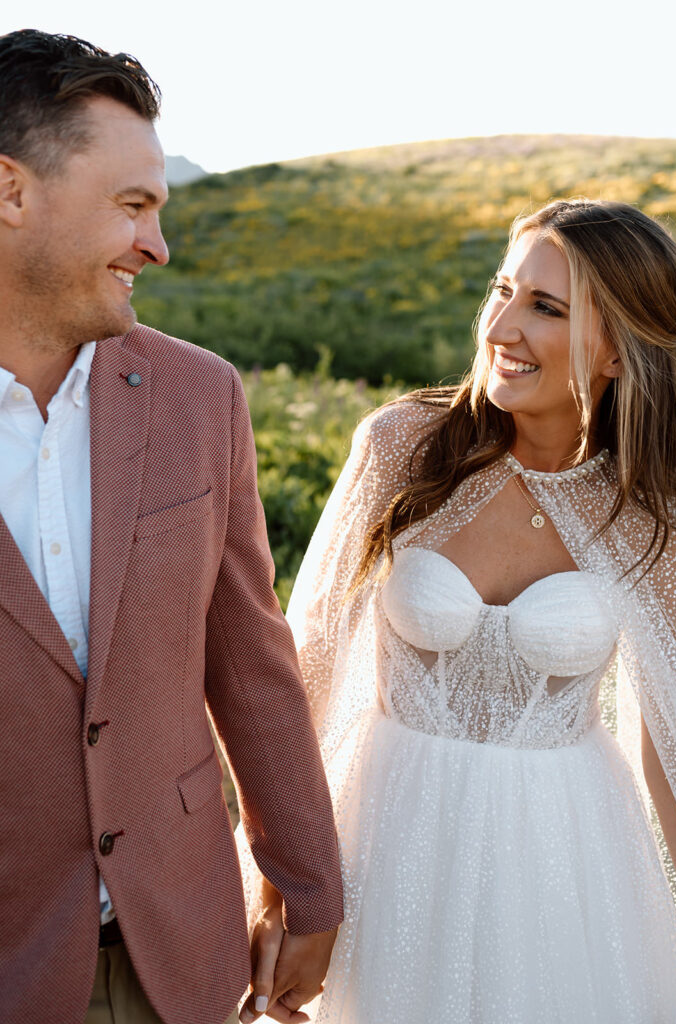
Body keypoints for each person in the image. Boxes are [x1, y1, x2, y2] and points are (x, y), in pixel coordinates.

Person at [240, 199, 676, 1023]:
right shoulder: (401, 448)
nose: (502, 324)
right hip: (385, 841)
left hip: (566, 873)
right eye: (503, 290)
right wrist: (281, 895)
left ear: (618, 350)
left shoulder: (661, 524)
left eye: (546, 307)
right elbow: (304, 679)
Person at [0, 29, 341, 1024]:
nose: (157, 244)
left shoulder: (202, 394)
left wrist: (307, 882)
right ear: (11, 192)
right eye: (133, 206)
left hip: (182, 955)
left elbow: (249, 659)